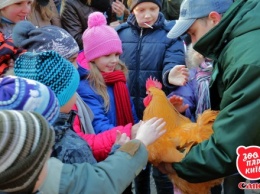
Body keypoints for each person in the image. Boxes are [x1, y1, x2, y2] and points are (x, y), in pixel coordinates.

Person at [159, 0, 260, 193]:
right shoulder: (241, 41)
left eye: (193, 33)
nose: (194, 43)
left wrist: (176, 164)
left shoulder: (246, 60)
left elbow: (231, 145)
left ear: (213, 19)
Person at [12, 20, 137, 162]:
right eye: (72, 60)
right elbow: (81, 144)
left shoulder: (61, 94)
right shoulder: (65, 99)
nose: (78, 66)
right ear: (53, 66)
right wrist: (129, 133)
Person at [0, 109, 166, 194]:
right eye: (45, 152)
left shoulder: (31, 179)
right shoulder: (53, 178)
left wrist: (116, 150)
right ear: (27, 170)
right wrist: (140, 142)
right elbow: (103, 180)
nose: (52, 152)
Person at [115, 0, 188, 193]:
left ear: (160, 9)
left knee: (161, 164)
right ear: (132, 10)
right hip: (128, 108)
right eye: (141, 10)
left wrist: (170, 74)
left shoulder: (170, 34)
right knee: (136, 163)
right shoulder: (120, 34)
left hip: (156, 112)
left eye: (153, 9)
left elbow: (173, 59)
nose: (148, 15)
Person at [77, 11, 139, 193]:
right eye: (107, 56)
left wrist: (134, 127)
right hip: (107, 153)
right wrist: (130, 134)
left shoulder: (117, 77)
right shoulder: (86, 86)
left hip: (123, 143)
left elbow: (130, 109)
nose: (114, 61)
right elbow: (97, 124)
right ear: (92, 56)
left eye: (117, 54)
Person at [60, 0, 129, 49]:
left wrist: (120, 15)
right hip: (91, 56)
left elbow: (115, 23)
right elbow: (76, 40)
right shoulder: (70, 4)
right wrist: (105, 31)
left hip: (112, 48)